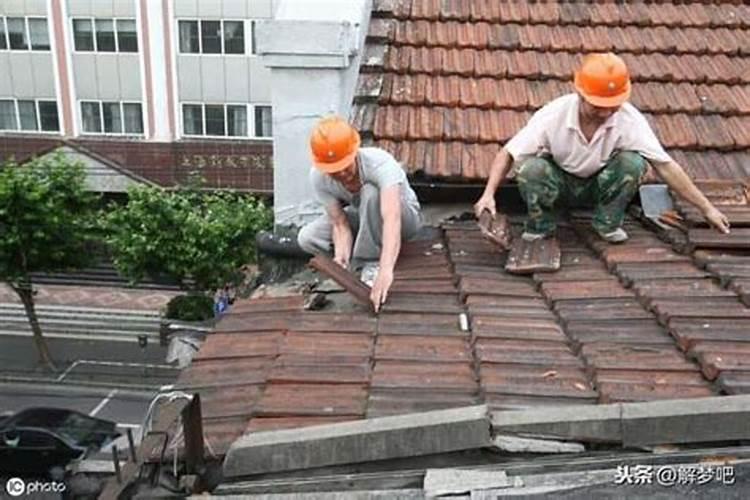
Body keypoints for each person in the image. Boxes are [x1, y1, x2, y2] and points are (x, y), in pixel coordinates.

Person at [474, 52, 730, 243]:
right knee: (531, 168)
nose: (606, 112)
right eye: (597, 105)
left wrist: (706, 208)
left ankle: (606, 224)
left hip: (599, 185)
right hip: (559, 185)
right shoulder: (553, 115)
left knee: (633, 162)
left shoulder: (629, 119)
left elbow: (665, 166)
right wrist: (488, 194)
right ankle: (542, 226)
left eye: (613, 105)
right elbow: (507, 153)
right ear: (580, 94)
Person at [298, 116, 423, 312]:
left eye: (344, 166)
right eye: (334, 170)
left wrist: (385, 270)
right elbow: (339, 224)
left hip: (404, 219)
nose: (341, 174)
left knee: (370, 192)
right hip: (364, 214)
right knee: (307, 238)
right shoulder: (318, 177)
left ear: (354, 152)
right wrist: (341, 258)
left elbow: (392, 218)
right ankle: (353, 258)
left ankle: (370, 261)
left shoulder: (380, 164)